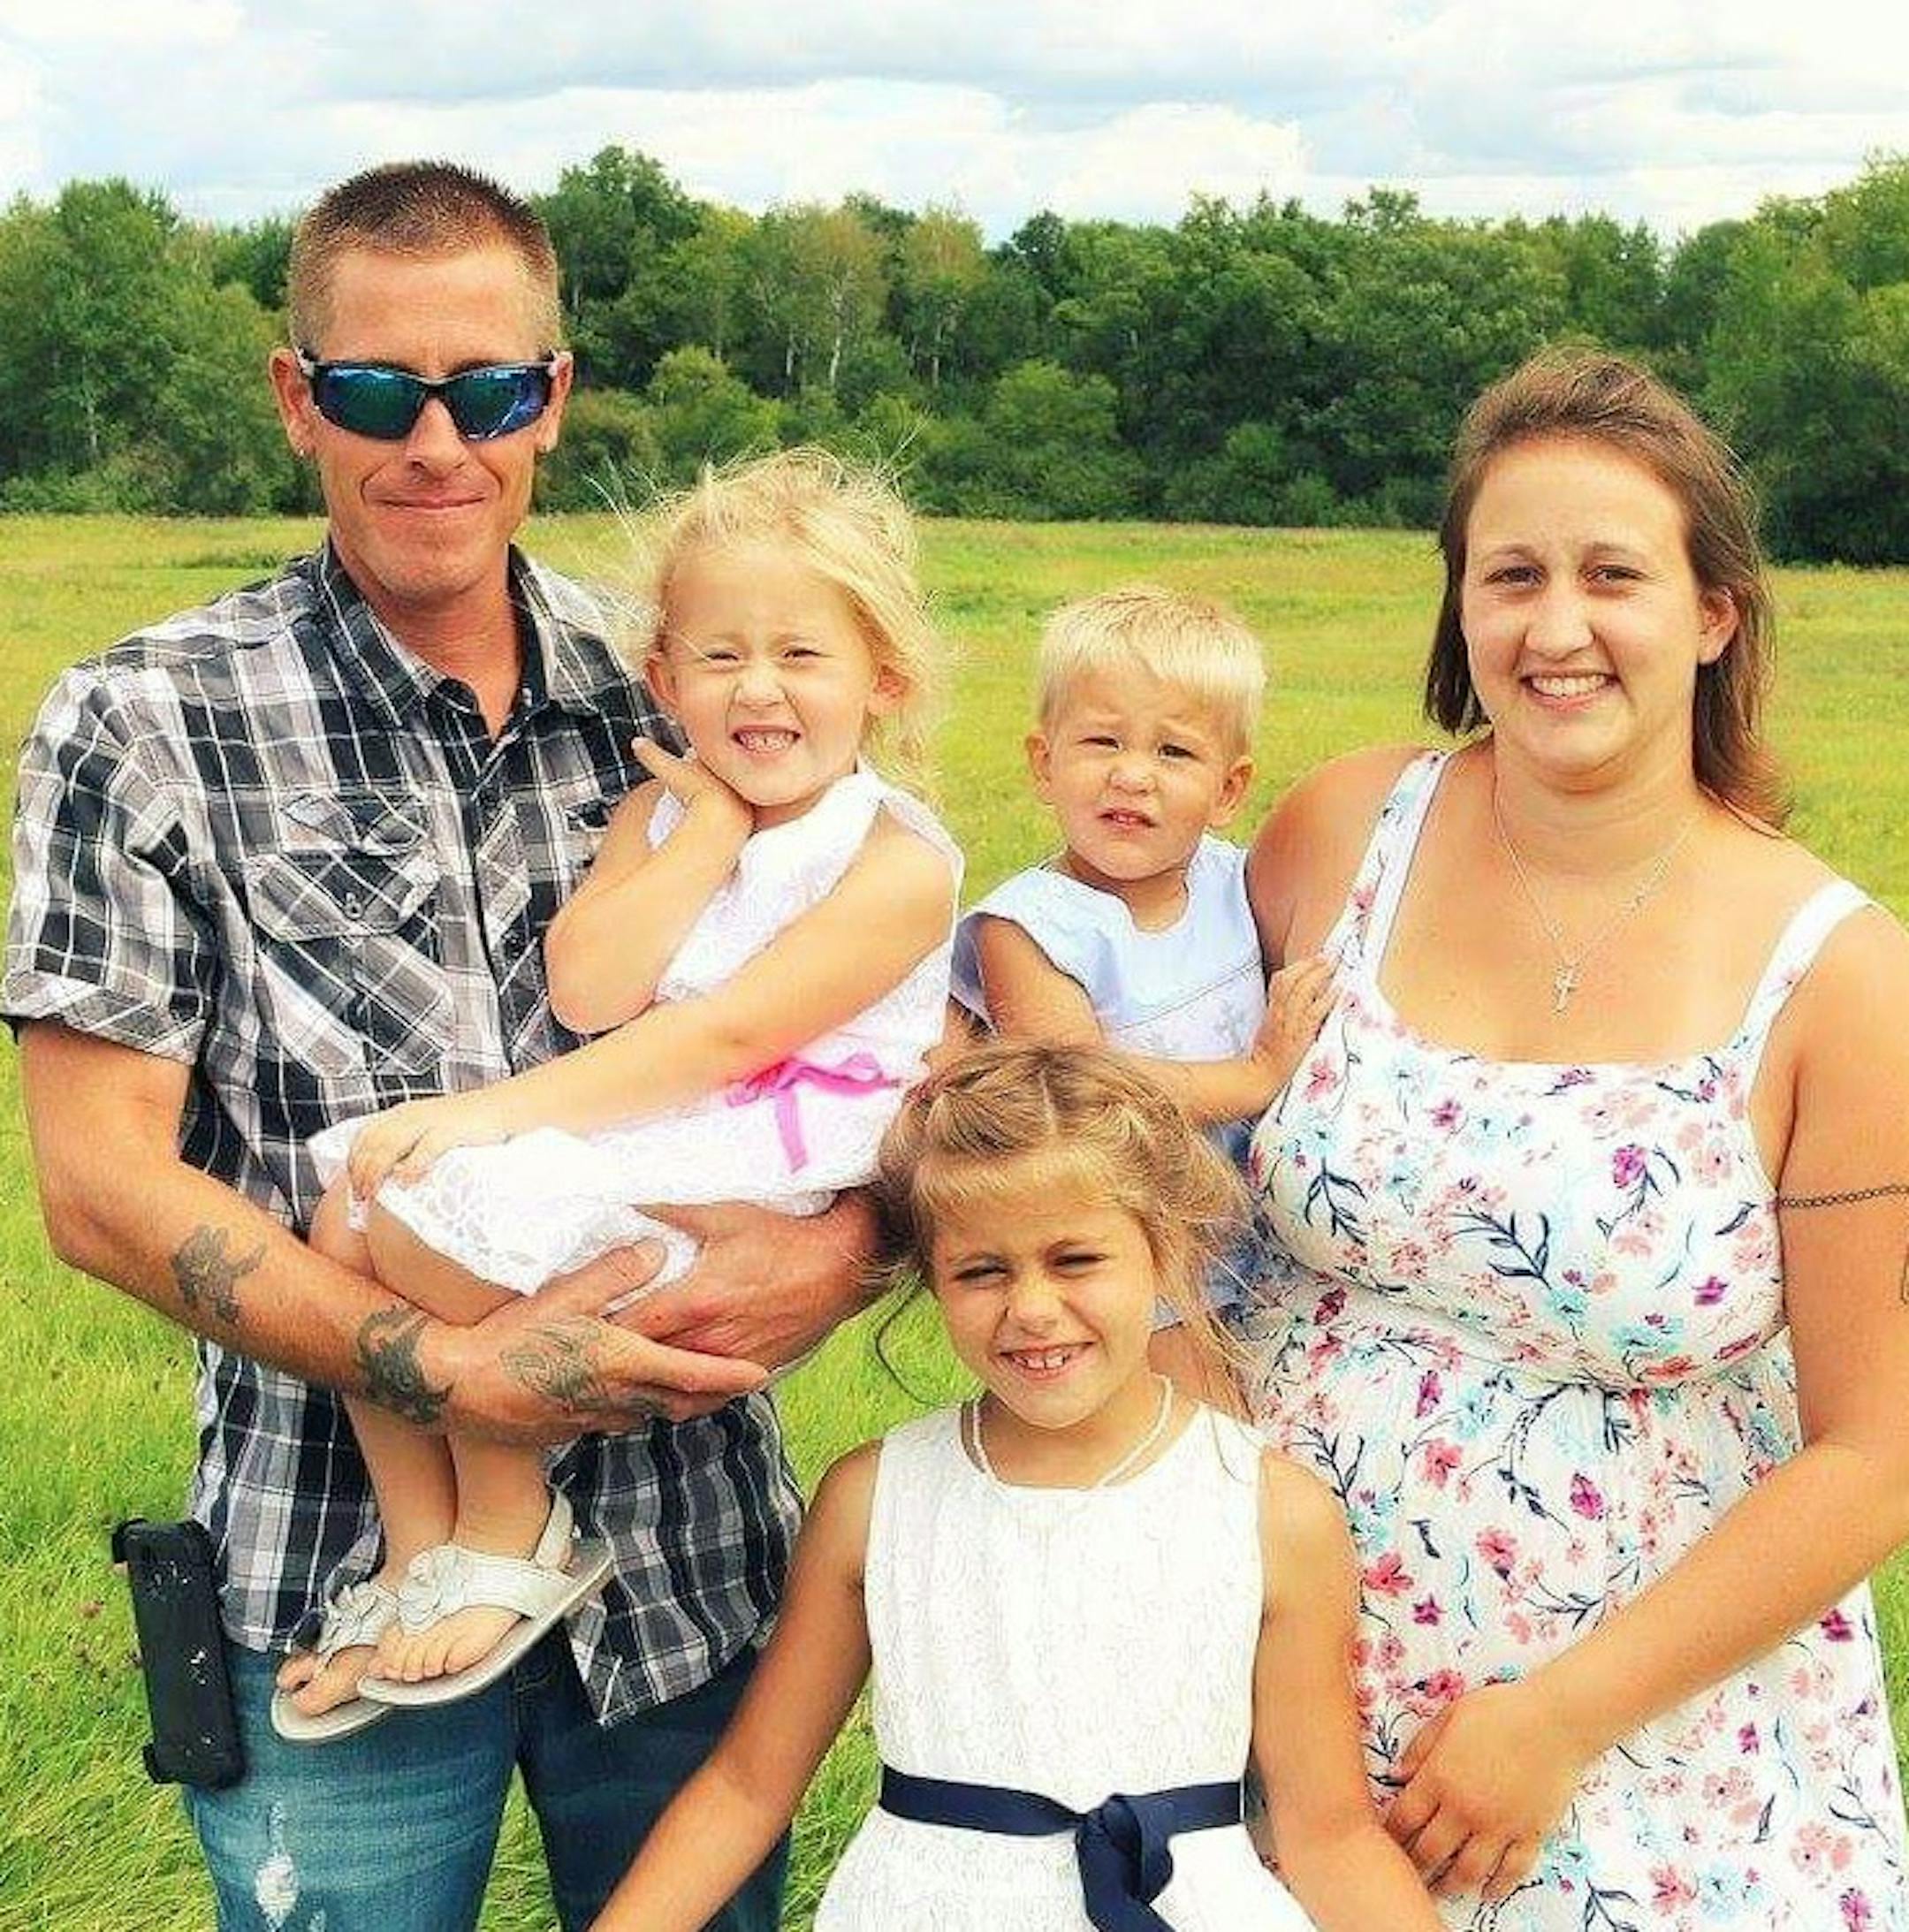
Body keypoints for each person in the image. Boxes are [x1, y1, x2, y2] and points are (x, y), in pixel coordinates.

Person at [4, 161, 876, 1932]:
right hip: (342, 1567)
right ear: (294, 397)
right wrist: (450, 1374)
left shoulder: (690, 689)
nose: (433, 444)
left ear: (548, 396)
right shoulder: (146, 718)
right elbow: (98, 1188)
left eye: (483, 390)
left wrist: (843, 1254)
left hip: (686, 1569)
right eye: (372, 389)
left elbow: (888, 1035)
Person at [1242, 348, 1909, 1926]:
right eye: (1512, 575)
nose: (1556, 628)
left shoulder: (1843, 977)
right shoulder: (1341, 833)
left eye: (1614, 575)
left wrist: (1557, 1721)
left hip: (1638, 1746)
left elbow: (1877, 1450)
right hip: (1276, 1693)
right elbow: (1135, 1126)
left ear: (1715, 613)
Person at [278, 447, 959, 1724]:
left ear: (884, 678)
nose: (759, 687)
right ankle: (420, 1549)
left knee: (417, 1224)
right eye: (720, 656)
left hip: (758, 1154)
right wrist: (706, 834)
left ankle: (512, 1522)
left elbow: (722, 1040)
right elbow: (589, 988)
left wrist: (475, 1117)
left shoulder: (896, 859)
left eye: (802, 655)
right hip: (646, 1110)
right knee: (340, 1220)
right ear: (663, 677)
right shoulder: (662, 814)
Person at [591, 1041, 1442, 1932]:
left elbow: (1330, 1837)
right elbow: (748, 1786)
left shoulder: (1267, 1508)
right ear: (933, 1280)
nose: (1032, 1308)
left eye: (1075, 1259)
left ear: (1166, 1252)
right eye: (982, 1270)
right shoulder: (875, 1500)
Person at [950, 585, 1333, 1390]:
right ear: (1043, 763)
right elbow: (1080, 1090)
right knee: (1210, 1443)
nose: (1131, 776)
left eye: (1174, 753)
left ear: (1229, 790)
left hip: (1267, 1244)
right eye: (1102, 741)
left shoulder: (1239, 882)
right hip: (1142, 1269)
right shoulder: (1029, 927)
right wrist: (1257, 1076)